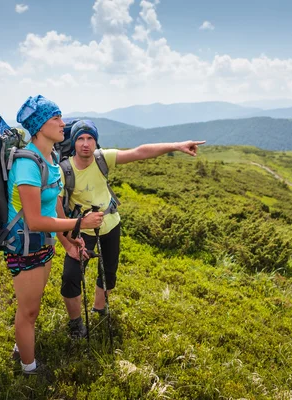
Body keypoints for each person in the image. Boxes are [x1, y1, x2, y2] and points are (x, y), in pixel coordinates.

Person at [56, 120, 205, 338]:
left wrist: (176, 145)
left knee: (108, 273)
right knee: (70, 277)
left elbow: (140, 152)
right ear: (73, 142)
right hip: (80, 231)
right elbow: (57, 207)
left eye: (90, 139)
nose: (85, 144)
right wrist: (68, 242)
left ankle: (99, 309)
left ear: (96, 142)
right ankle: (76, 323)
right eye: (80, 138)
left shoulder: (102, 158)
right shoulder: (64, 170)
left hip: (111, 225)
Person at [7, 97, 103, 374]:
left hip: (43, 244)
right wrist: (79, 222)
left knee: (30, 306)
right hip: (24, 244)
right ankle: (28, 368)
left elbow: (54, 205)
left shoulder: (49, 158)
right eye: (56, 119)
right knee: (29, 312)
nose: (63, 124)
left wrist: (67, 238)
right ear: (39, 126)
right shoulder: (27, 164)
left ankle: (21, 347)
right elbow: (35, 219)